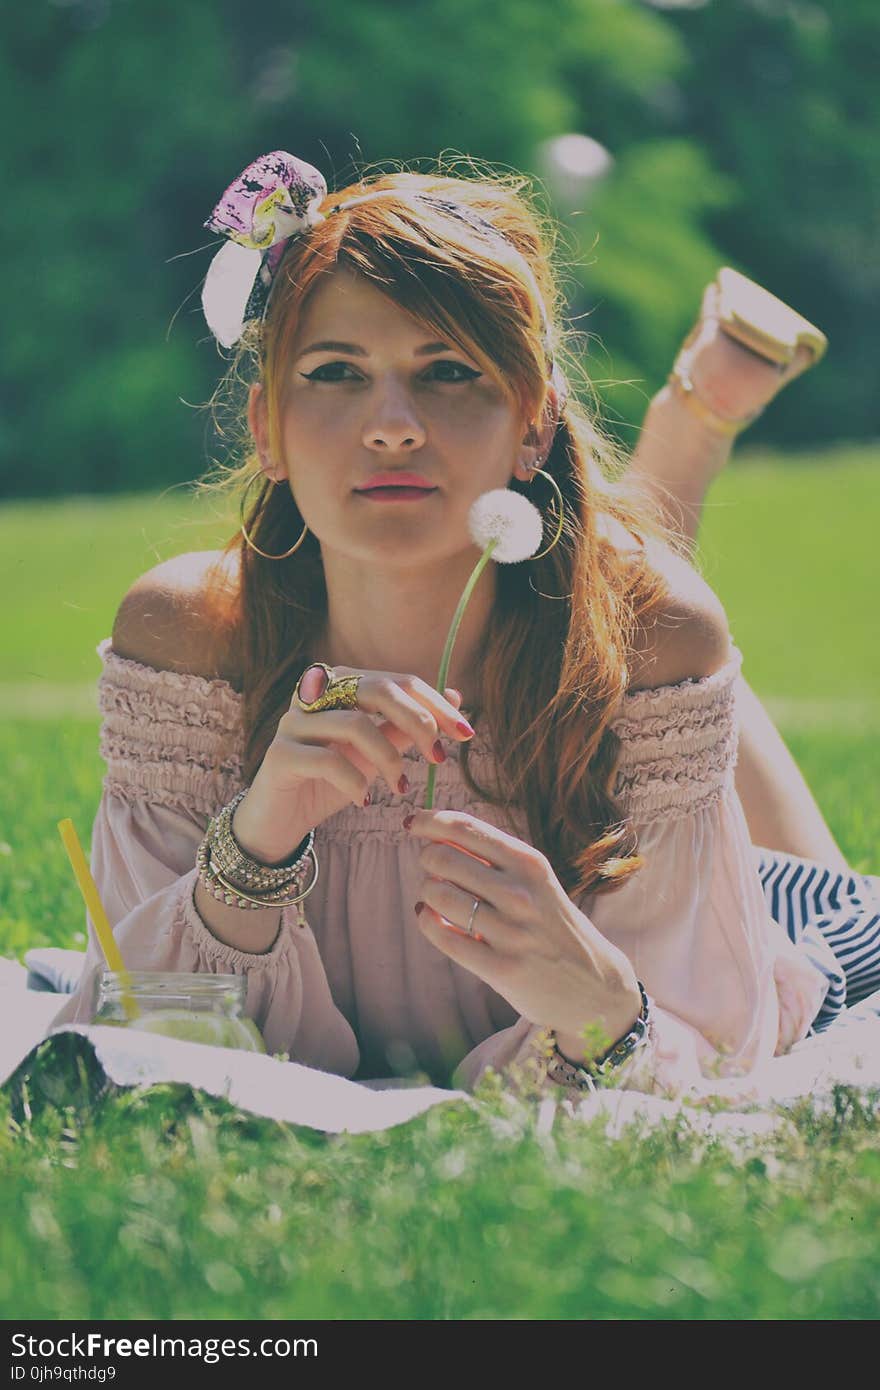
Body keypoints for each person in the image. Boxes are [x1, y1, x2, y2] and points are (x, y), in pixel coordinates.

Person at [55, 152, 877, 1098]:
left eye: (447, 371)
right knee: (638, 605)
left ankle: (684, 439)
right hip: (634, 712)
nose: (394, 425)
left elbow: (716, 1043)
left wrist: (602, 997)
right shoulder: (194, 636)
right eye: (335, 371)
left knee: (663, 637)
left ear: (534, 426)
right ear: (265, 429)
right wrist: (254, 846)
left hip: (785, 923)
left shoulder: (658, 642)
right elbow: (136, 1042)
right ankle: (675, 459)